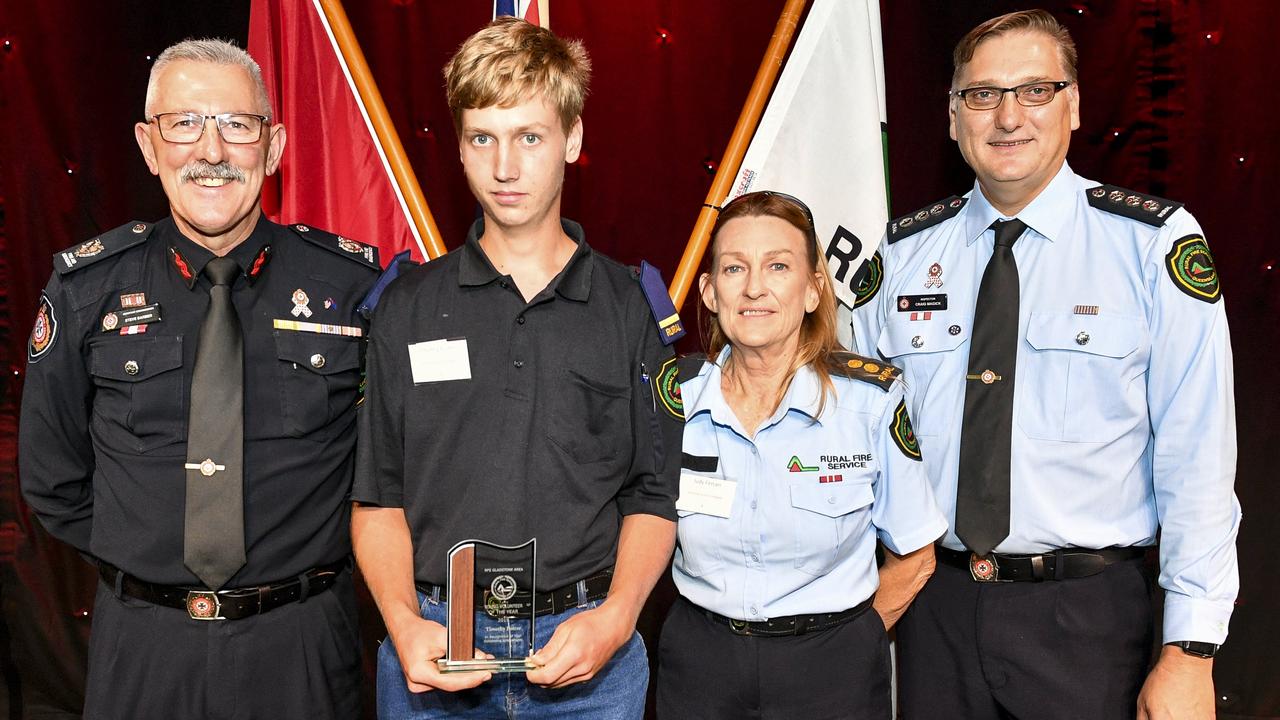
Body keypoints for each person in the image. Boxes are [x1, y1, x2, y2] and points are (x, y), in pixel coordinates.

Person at [851, 10, 1240, 720]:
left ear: (1074, 105)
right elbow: (853, 441)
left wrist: (1191, 649)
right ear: (952, 116)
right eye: (982, 94)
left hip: (1086, 622)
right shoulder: (899, 256)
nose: (1007, 117)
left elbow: (1198, 458)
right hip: (933, 612)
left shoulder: (1150, 247)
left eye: (1035, 90)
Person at [18, 39, 379, 719]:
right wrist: (148, 557)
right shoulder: (87, 289)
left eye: (236, 126)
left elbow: (389, 468)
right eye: (183, 123)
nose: (210, 150)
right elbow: (52, 477)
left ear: (271, 148)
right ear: (149, 146)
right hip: (143, 646)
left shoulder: (351, 287)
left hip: (301, 643)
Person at [351, 17, 682, 719]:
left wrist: (618, 617)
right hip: (435, 651)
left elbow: (653, 498)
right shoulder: (405, 305)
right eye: (483, 138)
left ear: (574, 139)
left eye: (530, 137)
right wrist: (405, 626)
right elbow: (378, 500)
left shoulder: (631, 306)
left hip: (587, 655)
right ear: (461, 147)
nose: (505, 167)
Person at [656, 191, 947, 719]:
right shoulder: (671, 398)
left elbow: (916, 555)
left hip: (831, 669)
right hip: (701, 665)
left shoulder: (870, 403)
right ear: (710, 292)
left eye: (778, 266)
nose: (754, 287)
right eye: (733, 267)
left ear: (814, 290)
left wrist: (846, 646)